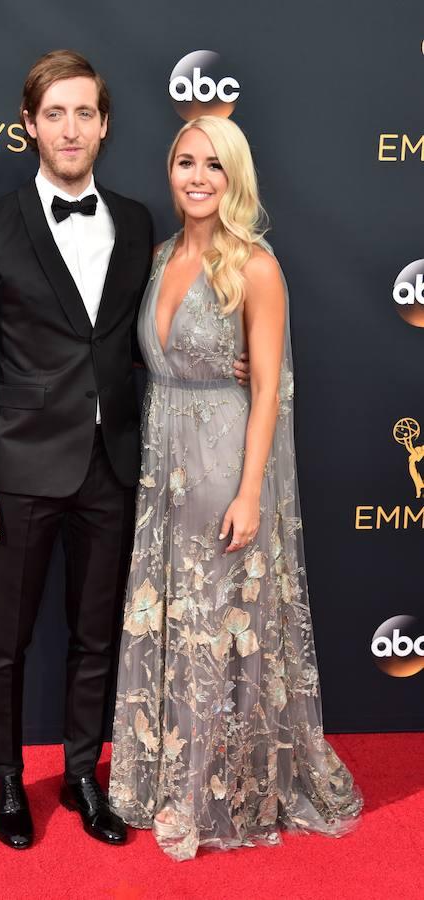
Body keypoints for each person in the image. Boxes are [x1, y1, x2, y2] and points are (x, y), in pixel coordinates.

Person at [0, 48, 253, 850]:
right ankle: (8, 781)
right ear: (29, 125)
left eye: (85, 112)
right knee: (6, 641)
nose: (71, 128)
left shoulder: (139, 222)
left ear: (105, 125)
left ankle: (84, 774)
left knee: (96, 635)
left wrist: (226, 363)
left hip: (115, 467)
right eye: (55, 113)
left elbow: (155, 335)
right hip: (17, 469)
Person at [108, 115, 363, 860]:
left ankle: (223, 791)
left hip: (224, 465)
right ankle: (168, 775)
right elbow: (152, 360)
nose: (196, 177)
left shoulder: (254, 266)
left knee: (222, 628)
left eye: (213, 166)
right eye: (185, 162)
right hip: (163, 465)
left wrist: (251, 491)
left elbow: (271, 394)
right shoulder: (156, 258)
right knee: (174, 618)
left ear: (236, 178)